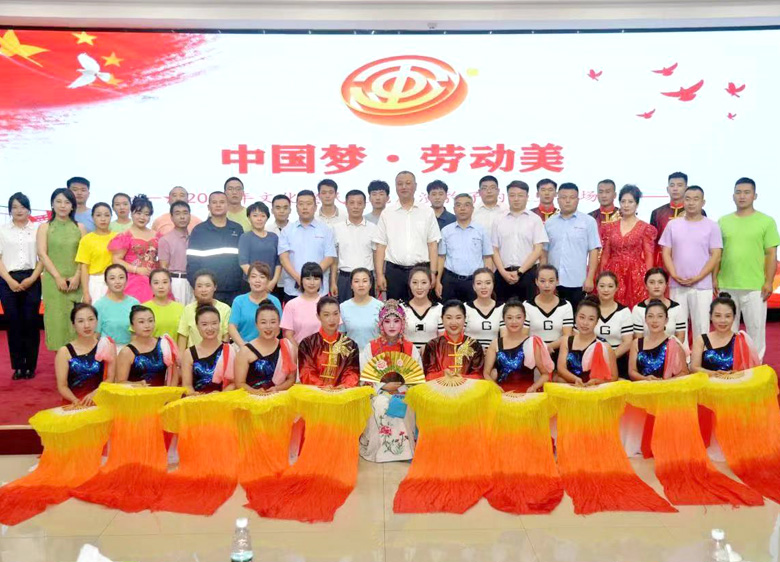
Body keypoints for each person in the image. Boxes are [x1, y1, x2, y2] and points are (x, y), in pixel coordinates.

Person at [716, 177, 780, 361]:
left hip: (755, 286)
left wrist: (768, 282)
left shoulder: (766, 221)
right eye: (738, 192)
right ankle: (728, 364)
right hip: (727, 284)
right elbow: (717, 253)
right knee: (726, 329)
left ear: (755, 195)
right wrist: (715, 279)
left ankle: (755, 366)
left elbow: (771, 254)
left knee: (756, 330)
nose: (742, 196)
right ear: (733, 196)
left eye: (746, 192)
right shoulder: (723, 221)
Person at [358, 300, 421, 463]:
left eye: (396, 321)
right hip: (378, 392)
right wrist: (384, 386)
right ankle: (379, 450)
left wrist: (400, 389)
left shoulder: (410, 348)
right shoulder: (371, 348)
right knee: (380, 404)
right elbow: (364, 376)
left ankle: (405, 449)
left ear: (402, 323)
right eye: (387, 321)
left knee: (404, 403)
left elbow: (417, 377)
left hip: (404, 391)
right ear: (381, 324)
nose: (392, 325)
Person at [660, 185, 722, 340]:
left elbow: (716, 255)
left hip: (702, 286)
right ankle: (679, 355)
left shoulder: (712, 226)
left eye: (696, 199)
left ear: (703, 202)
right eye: (687, 199)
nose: (691, 203)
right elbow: (666, 252)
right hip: (677, 284)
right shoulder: (673, 225)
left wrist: (699, 277)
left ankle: (700, 354)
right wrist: (674, 274)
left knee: (701, 327)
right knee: (677, 327)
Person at [375, 171, 441, 302]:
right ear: (395, 187)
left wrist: (433, 272)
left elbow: (432, 245)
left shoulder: (427, 212)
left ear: (415, 186)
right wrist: (379, 274)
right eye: (400, 184)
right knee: (396, 310)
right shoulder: (387, 213)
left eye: (408, 183)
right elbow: (380, 246)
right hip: (395, 272)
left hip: (421, 270)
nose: (404, 187)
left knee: (421, 307)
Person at [0, 192, 43, 379]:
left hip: (31, 278)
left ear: (29, 209)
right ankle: (18, 366)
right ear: (10, 210)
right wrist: (10, 281)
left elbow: (42, 258)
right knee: (13, 323)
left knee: (31, 322)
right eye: (15, 207)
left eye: (23, 207)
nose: (19, 210)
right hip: (7, 279)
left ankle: (30, 366)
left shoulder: (37, 230)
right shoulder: (2, 230)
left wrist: (32, 278)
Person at [38, 188, 86, 351]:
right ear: (52, 204)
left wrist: (77, 276)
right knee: (56, 322)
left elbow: (83, 255)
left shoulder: (80, 227)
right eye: (58, 201)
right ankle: (60, 360)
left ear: (72, 206)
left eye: (67, 202)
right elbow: (42, 254)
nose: (62, 206)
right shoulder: (45, 227)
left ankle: (77, 361)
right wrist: (58, 277)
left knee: (76, 321)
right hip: (53, 282)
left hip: (76, 281)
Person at [544, 182, 601, 310]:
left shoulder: (588, 222)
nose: (568, 201)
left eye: (572, 197)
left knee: (577, 316)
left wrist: (590, 278)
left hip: (578, 281)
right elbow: (544, 252)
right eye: (564, 197)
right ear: (557, 200)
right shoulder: (549, 223)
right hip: (553, 282)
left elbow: (593, 250)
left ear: (578, 200)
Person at [599, 185, 657, 308]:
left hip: (636, 274)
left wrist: (648, 279)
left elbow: (649, 256)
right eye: (623, 201)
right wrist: (601, 276)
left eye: (630, 202)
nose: (626, 205)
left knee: (635, 309)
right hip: (613, 273)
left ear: (637, 204)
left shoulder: (645, 228)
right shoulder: (609, 227)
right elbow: (605, 255)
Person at [492, 180, 548, 303]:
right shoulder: (498, 219)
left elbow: (538, 249)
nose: (516, 199)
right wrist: (503, 272)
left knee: (528, 310)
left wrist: (520, 272)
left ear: (527, 197)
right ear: (507, 196)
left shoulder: (535, 219)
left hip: (527, 274)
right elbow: (494, 249)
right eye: (512, 195)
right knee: (501, 310)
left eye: (520, 195)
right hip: (503, 274)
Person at [187, 192, 244, 306]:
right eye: (214, 202)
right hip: (208, 293)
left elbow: (243, 260)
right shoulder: (199, 230)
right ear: (208, 207)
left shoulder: (237, 229)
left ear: (228, 205)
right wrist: (199, 288)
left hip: (234, 292)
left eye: (222, 202)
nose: (218, 205)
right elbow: (192, 263)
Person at [483, 298, 552, 392]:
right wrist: (495, 387)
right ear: (503, 319)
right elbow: (486, 373)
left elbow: (545, 374)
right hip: (501, 394)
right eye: (509, 318)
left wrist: (533, 387)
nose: (514, 322)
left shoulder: (532, 343)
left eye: (518, 317)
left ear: (524, 318)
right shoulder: (495, 344)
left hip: (526, 395)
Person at [278, 190, 336, 300]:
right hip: (293, 289)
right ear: (296, 208)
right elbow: (283, 259)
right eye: (301, 204)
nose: (305, 207)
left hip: (319, 290)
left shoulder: (326, 230)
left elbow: (329, 258)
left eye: (309, 204)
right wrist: (299, 278)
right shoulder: (287, 231)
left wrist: (311, 277)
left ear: (315, 207)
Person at [55, 303, 116, 406]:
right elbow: (62, 386)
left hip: (100, 401)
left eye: (91, 319)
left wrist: (96, 393)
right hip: (73, 405)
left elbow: (111, 378)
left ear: (97, 321)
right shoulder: (64, 352)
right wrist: (76, 401)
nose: (86, 325)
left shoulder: (106, 345)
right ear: (73, 325)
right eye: (80, 321)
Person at [436, 193, 493, 302]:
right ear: (454, 209)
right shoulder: (446, 231)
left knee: (474, 311)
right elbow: (441, 258)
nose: (462, 208)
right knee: (449, 310)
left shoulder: (481, 231)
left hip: (474, 281)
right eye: (458, 205)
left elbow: (487, 258)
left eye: (467, 205)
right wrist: (438, 281)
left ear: (472, 209)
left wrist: (489, 282)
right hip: (450, 280)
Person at [691, 293, 760, 376]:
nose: (722, 320)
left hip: (735, 382)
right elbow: (694, 367)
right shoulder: (701, 340)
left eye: (727, 316)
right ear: (711, 316)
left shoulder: (741, 340)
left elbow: (750, 370)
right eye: (718, 316)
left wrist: (736, 374)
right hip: (707, 382)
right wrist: (714, 374)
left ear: (734, 317)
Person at [108, 194, 161, 303]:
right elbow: (116, 260)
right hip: (132, 281)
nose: (142, 217)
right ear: (131, 213)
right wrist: (137, 270)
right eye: (138, 213)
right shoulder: (125, 236)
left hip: (154, 280)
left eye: (146, 214)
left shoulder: (157, 235)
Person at [234, 302, 297, 393]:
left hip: (279, 396)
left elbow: (291, 379)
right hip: (252, 398)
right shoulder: (245, 351)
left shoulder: (287, 347)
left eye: (273, 322)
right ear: (256, 324)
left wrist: (277, 389)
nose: (268, 327)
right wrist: (255, 392)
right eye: (263, 322)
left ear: (279, 324)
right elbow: (239, 383)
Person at [298, 296, 360, 387]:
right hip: (315, 392)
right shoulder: (307, 344)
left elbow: (352, 371)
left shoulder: (351, 345)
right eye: (326, 315)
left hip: (343, 393)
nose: (332, 319)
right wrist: (322, 387)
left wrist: (344, 386)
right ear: (318, 316)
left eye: (335, 314)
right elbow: (306, 372)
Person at [557, 297, 618, 385]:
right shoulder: (566, 341)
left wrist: (597, 382)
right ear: (575, 317)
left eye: (591, 319)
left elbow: (614, 377)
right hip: (571, 387)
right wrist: (575, 379)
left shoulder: (605, 346)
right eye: (582, 317)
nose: (585, 323)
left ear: (597, 322)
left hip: (595, 390)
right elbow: (561, 369)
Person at [331, 189, 378, 303]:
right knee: (344, 311)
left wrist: (378, 278)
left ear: (365, 205)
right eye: (352, 203)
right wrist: (333, 282)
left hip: (367, 279)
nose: (355, 207)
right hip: (345, 278)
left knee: (368, 310)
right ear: (346, 204)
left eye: (359, 203)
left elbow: (376, 256)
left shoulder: (373, 228)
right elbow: (334, 259)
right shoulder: (337, 228)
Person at [522, 265, 573, 364]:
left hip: (558, 352)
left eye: (551, 281)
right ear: (536, 282)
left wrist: (548, 347)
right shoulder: (527, 305)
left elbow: (567, 336)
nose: (547, 285)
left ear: (557, 281)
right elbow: (524, 335)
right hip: (533, 353)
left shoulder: (566, 306)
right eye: (542, 281)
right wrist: (540, 349)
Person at [422, 299, 485, 380]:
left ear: (465, 319)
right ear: (442, 319)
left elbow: (478, 376)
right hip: (438, 387)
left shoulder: (474, 345)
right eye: (449, 318)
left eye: (458, 318)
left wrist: (460, 378)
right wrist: (443, 374)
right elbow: (428, 376)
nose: (453, 322)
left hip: (468, 387)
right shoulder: (433, 345)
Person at [628, 300, 689, 381]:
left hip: (668, 387)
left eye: (659, 316)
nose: (655, 321)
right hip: (642, 386)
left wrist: (663, 383)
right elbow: (632, 371)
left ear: (666, 320)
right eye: (650, 316)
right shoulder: (636, 343)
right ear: (645, 319)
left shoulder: (673, 343)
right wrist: (645, 379)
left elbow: (684, 372)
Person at [181, 305, 236, 394]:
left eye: (214, 323)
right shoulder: (189, 353)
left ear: (219, 324)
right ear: (197, 326)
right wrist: (193, 395)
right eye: (204, 324)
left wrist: (220, 395)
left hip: (224, 399)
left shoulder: (229, 350)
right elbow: (187, 385)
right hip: (197, 400)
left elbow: (235, 382)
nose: (210, 328)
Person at [116, 305, 176, 387]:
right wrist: (136, 385)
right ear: (132, 326)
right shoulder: (126, 352)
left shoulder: (164, 344)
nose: (147, 325)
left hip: (163, 393)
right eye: (141, 322)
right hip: (137, 394)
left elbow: (174, 375)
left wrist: (170, 392)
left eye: (150, 321)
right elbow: (120, 383)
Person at [228, 262, 283, 346]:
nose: (257, 280)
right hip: (243, 345)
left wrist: (263, 346)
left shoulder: (274, 301)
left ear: (268, 280)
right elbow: (232, 327)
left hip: (268, 344)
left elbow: (278, 327)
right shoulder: (239, 301)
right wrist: (244, 347)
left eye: (262, 277)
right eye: (253, 276)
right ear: (248, 279)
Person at [177, 270, 232, 352]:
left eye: (207, 285)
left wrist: (219, 355)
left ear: (215, 287)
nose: (203, 290)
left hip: (218, 355)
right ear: (194, 289)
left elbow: (226, 336)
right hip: (193, 356)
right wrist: (181, 358)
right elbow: (183, 336)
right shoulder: (188, 309)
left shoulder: (225, 309)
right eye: (199, 286)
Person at [650, 172, 694, 267]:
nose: (675, 189)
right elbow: (652, 243)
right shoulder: (657, 213)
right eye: (672, 185)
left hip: (688, 262)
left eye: (679, 185)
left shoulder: (697, 212)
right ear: (667, 189)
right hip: (661, 264)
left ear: (686, 188)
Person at [594, 271, 634, 378]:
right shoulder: (590, 309)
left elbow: (627, 342)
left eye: (610, 286)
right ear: (596, 287)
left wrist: (610, 358)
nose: (606, 290)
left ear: (616, 288)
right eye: (602, 286)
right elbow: (578, 335)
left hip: (618, 361)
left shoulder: (624, 312)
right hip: (591, 361)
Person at [76, 202, 116, 305]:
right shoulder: (86, 240)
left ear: (111, 217)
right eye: (98, 215)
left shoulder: (117, 237)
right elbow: (84, 267)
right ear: (92, 217)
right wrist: (86, 292)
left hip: (115, 281)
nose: (103, 219)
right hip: (94, 283)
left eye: (106, 215)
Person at [631, 268, 687, 341]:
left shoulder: (677, 308)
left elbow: (680, 337)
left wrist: (668, 348)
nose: (656, 286)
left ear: (666, 285)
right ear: (646, 285)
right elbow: (638, 340)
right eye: (652, 282)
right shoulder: (638, 309)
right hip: (646, 348)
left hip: (671, 347)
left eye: (660, 282)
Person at [239, 201, 281, 293]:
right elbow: (243, 263)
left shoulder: (274, 237)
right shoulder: (245, 237)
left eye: (262, 216)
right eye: (255, 216)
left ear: (267, 218)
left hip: (271, 285)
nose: (259, 219)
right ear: (249, 218)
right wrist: (258, 281)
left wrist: (273, 281)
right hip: (250, 285)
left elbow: (278, 262)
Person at [280, 262, 326, 344]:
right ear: (301, 280)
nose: (312, 283)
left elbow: (334, 331)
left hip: (324, 350)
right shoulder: (291, 305)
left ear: (321, 281)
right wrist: (300, 350)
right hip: (297, 350)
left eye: (316, 279)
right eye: (308, 279)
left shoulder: (327, 304)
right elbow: (288, 334)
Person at [94, 264, 139, 347]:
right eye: (112, 278)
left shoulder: (134, 303)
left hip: (130, 349)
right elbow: (95, 335)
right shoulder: (99, 306)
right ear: (106, 282)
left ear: (126, 280)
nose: (117, 282)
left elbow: (138, 332)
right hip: (107, 350)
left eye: (121, 277)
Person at [159, 200, 194, 305]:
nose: (182, 217)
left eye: (185, 213)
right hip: (176, 282)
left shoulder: (195, 238)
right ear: (171, 217)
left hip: (194, 281)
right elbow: (163, 267)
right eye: (177, 214)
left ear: (190, 216)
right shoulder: (165, 240)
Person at [339, 268, 384, 350]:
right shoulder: (343, 307)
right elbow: (340, 335)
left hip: (375, 354)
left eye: (365, 281)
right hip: (352, 354)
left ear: (370, 285)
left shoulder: (380, 306)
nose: (361, 285)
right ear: (351, 285)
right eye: (356, 281)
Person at [402, 266, 443, 352]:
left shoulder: (439, 309)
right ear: (409, 284)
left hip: (432, 357)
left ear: (430, 284)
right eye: (415, 282)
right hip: (406, 357)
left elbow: (442, 341)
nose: (419, 287)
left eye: (424, 282)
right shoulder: (401, 309)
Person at [464, 268, 504, 350]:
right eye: (479, 283)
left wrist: (491, 353)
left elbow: (505, 339)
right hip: (469, 355)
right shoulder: (465, 308)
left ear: (493, 285)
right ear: (474, 286)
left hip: (495, 354)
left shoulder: (502, 308)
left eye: (488, 283)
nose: (483, 287)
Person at [143, 269, 184, 341]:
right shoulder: (143, 309)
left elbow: (183, 336)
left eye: (165, 282)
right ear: (150, 285)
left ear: (170, 284)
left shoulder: (181, 308)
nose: (161, 286)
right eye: (156, 283)